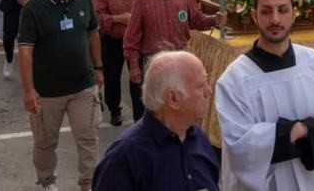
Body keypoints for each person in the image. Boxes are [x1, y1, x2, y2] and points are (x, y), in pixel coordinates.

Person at [215, 0, 314, 190]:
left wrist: (298, 131)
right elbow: (239, 146)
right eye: (266, 11)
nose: (275, 19)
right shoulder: (235, 80)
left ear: (294, 13)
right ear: (255, 16)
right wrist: (297, 130)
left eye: (282, 10)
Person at [17, 0, 103, 191]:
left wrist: (98, 68)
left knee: (88, 138)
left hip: (83, 85)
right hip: (47, 91)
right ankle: (47, 182)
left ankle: (88, 183)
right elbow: (25, 50)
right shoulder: (33, 7)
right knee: (45, 143)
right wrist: (28, 90)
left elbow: (93, 33)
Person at [92, 51, 219, 191]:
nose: (209, 91)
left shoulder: (199, 139)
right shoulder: (125, 158)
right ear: (173, 98)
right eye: (201, 86)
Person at [123, 0, 223, 103]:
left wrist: (214, 19)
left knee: (181, 104)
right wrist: (134, 66)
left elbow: (197, 21)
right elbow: (131, 37)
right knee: (157, 105)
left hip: (181, 56)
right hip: (155, 60)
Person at [93, 0, 146, 125]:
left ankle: (140, 114)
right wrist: (118, 18)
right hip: (113, 40)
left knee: (137, 76)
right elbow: (98, 18)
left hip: (137, 41)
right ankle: (114, 110)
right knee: (112, 76)